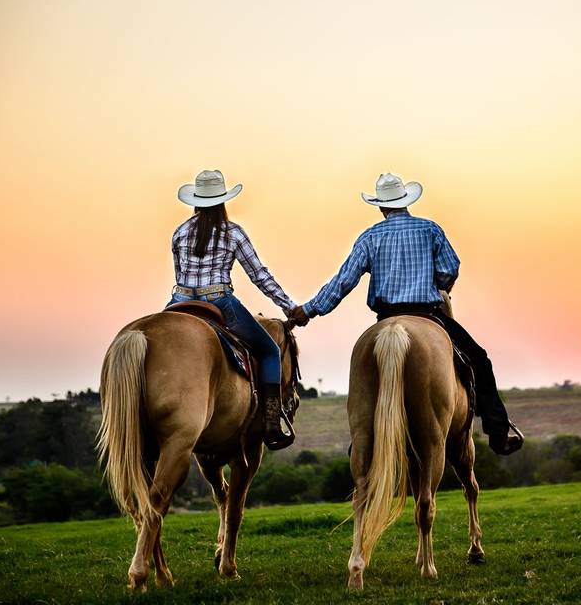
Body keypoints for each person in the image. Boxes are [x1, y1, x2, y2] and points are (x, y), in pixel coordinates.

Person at [289, 173, 523, 455]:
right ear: (405, 201)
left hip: (385, 317)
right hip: (428, 314)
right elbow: (450, 269)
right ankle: (498, 432)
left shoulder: (370, 237)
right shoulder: (430, 230)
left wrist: (308, 311)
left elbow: (343, 282)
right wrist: (436, 283)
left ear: (380, 206)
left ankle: (362, 441)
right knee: (479, 361)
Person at [166, 169, 303, 450]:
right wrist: (289, 306)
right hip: (219, 301)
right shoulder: (233, 233)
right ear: (222, 201)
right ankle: (271, 421)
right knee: (269, 352)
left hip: (179, 304)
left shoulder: (179, 233)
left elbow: (179, 274)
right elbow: (259, 275)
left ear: (195, 202)